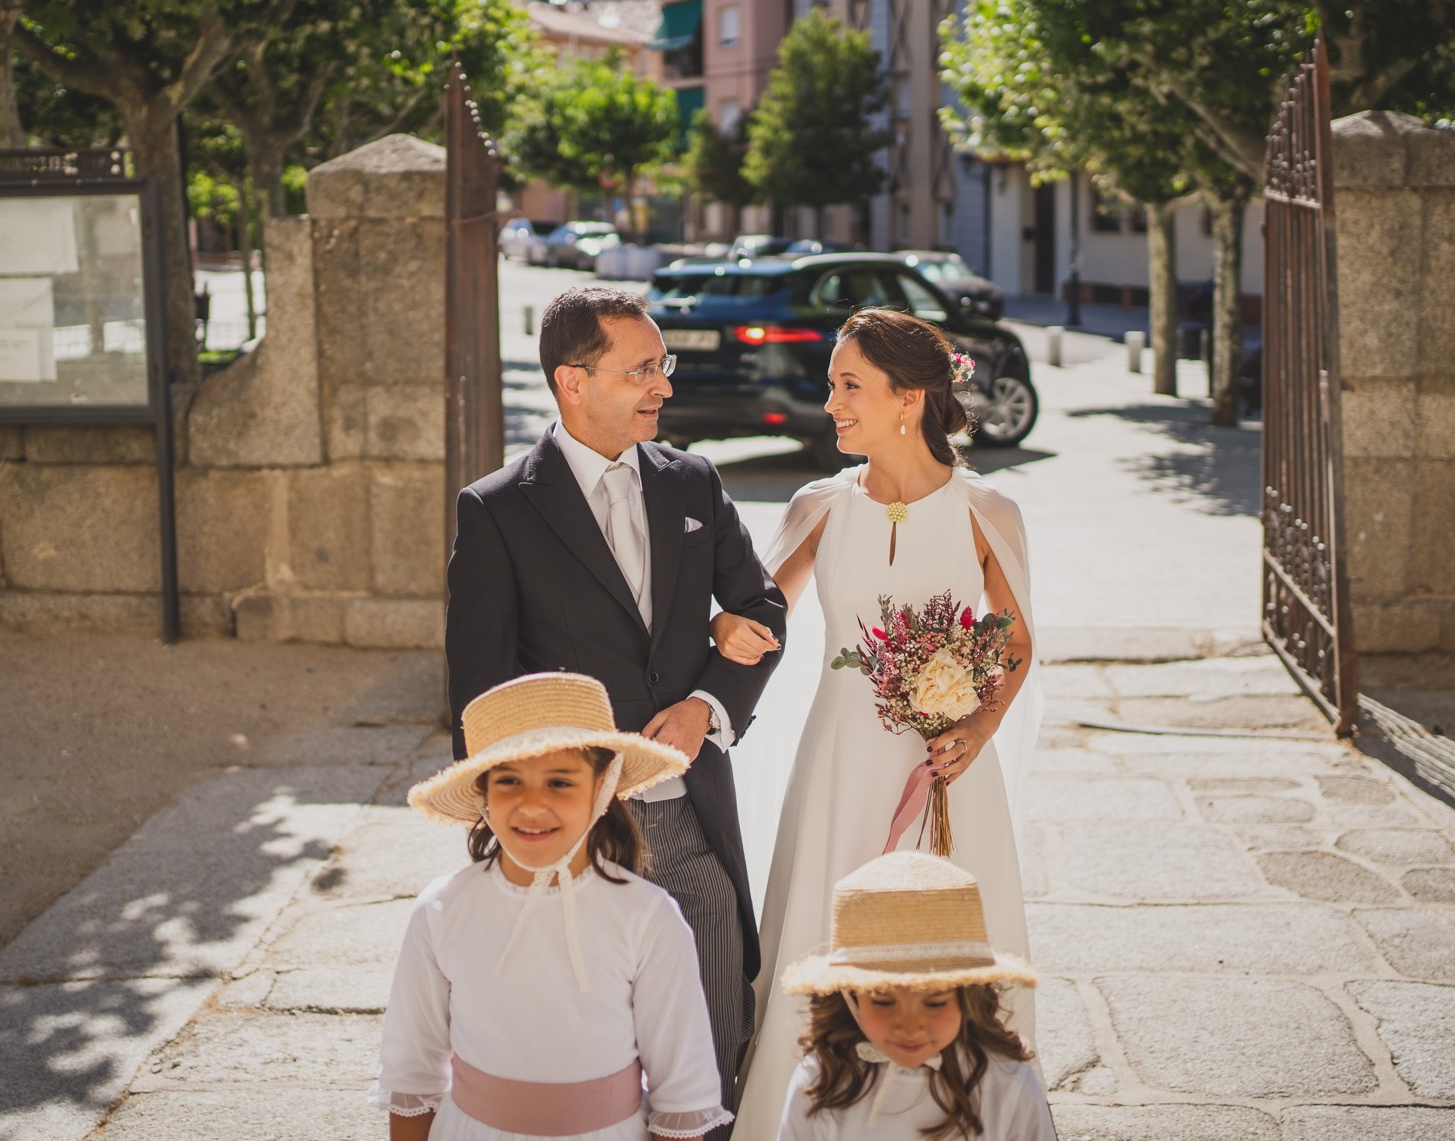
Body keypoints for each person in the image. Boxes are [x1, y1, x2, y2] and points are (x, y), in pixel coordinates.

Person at [444, 287, 788, 1136]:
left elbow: (764, 607)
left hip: (694, 829)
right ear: (572, 381)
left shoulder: (694, 482)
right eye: (639, 370)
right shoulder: (495, 509)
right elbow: (476, 695)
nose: (661, 386)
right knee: (590, 1063)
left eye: (661, 365)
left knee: (709, 1059)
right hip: (575, 840)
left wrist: (708, 704)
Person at [728, 308, 1040, 1138]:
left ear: (909, 397)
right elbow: (759, 617)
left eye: (848, 385)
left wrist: (976, 726)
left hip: (947, 770)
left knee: (946, 936)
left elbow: (1012, 644)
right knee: (826, 921)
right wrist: (722, 630)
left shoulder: (987, 509)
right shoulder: (821, 505)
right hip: (840, 760)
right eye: (833, 385)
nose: (830, 401)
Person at [373, 672, 733, 1140]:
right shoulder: (441, 911)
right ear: (482, 792)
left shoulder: (648, 918)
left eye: (560, 782)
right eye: (508, 781)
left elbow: (681, 1091)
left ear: (602, 785)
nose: (531, 805)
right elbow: (411, 1074)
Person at [773, 852, 1051, 1140]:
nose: (909, 1026)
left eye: (935, 1002)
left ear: (967, 995)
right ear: (850, 997)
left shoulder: (1007, 1085)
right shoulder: (821, 1081)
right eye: (882, 1001)